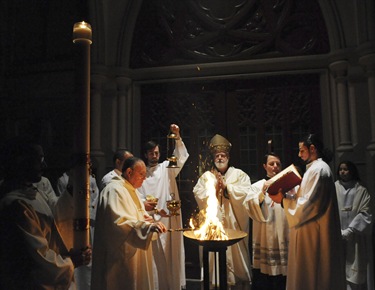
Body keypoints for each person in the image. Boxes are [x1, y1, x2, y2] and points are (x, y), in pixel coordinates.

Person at [0, 136, 91, 289]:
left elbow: (54, 215)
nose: (44, 165)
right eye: (38, 160)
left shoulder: (33, 193)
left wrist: (73, 184)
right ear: (21, 161)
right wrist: (71, 262)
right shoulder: (15, 205)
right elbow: (38, 258)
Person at [268, 133, 346, 290]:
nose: (299, 154)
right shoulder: (314, 169)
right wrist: (289, 194)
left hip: (314, 235)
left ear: (312, 149)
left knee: (313, 277)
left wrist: (283, 201)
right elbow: (305, 198)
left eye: (301, 150)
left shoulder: (319, 170)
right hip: (307, 231)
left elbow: (308, 205)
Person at [91, 156, 167, 290]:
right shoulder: (114, 190)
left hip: (134, 257)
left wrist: (147, 222)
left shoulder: (131, 190)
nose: (144, 178)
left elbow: (137, 215)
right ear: (129, 172)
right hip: (119, 259)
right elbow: (119, 222)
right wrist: (145, 227)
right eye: (141, 174)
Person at [193, 134, 252, 289]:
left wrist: (227, 188)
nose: (220, 158)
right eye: (217, 155)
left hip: (234, 225)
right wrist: (213, 189)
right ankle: (214, 283)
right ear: (213, 157)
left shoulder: (239, 175)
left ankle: (238, 282)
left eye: (223, 155)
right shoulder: (206, 177)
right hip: (214, 228)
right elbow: (198, 193)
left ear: (228, 157)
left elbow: (247, 193)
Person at [137, 123, 189, 290]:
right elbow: (136, 194)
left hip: (168, 218)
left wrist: (178, 136)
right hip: (149, 218)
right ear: (146, 154)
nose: (155, 155)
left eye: (157, 152)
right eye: (152, 153)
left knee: (169, 252)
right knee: (153, 257)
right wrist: (145, 205)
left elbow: (181, 157)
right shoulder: (140, 172)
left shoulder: (167, 167)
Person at [245, 152, 289, 290]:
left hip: (284, 231)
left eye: (278, 164)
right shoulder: (258, 185)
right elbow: (248, 206)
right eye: (271, 164)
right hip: (265, 234)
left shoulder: (288, 184)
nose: (275, 167)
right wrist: (261, 195)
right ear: (264, 166)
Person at [56, 156, 100, 290]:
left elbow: (95, 198)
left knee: (89, 259)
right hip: (72, 223)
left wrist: (91, 215)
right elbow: (62, 201)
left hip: (89, 222)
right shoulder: (63, 180)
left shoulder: (92, 179)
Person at [335, 160, 374, 290]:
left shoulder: (361, 189)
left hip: (356, 237)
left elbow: (366, 213)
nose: (343, 172)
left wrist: (350, 230)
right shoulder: (334, 187)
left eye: (346, 169)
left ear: (352, 171)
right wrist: (337, 230)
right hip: (337, 235)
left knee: (356, 270)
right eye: (341, 169)